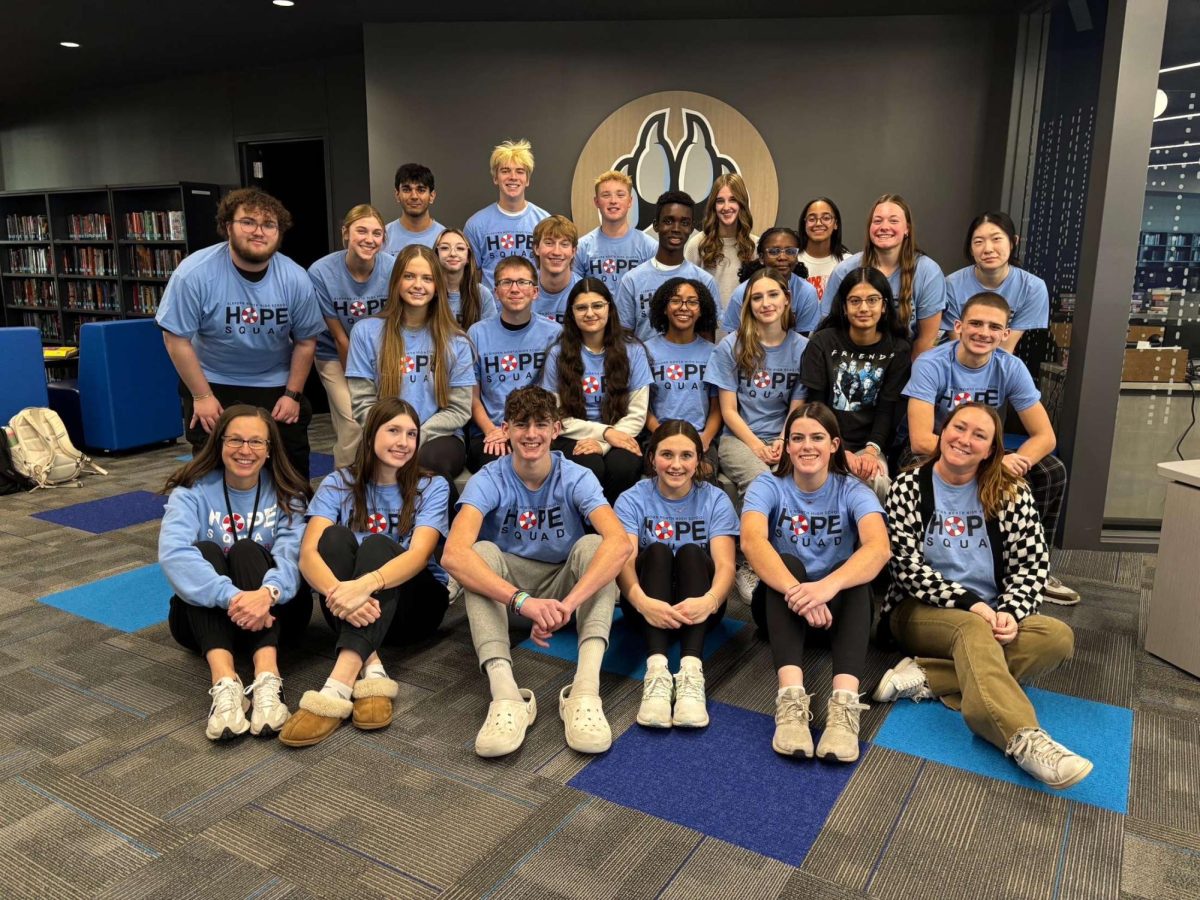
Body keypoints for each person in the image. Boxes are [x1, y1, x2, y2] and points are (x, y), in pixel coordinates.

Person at [876, 401, 1091, 789]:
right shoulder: (908, 487)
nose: (965, 440)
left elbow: (1032, 565)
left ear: (992, 449)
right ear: (943, 433)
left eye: (980, 435)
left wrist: (1010, 610)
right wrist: (972, 605)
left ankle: (933, 676)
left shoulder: (1009, 492)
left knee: (1057, 637)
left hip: (990, 613)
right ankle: (1022, 737)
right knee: (972, 630)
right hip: (917, 612)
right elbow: (905, 569)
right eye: (959, 428)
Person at [442, 385, 631, 757]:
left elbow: (620, 543)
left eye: (541, 424)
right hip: (510, 601)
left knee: (596, 546)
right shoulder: (489, 478)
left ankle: (584, 692)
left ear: (556, 430)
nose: (531, 434)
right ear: (505, 429)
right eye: (522, 425)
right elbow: (452, 555)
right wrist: (523, 602)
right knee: (478, 553)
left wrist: (570, 603)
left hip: (564, 596)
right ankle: (508, 698)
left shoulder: (575, 476)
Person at [279, 398, 450, 747]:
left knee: (376, 545)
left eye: (411, 434)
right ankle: (371, 668)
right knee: (332, 538)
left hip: (415, 607)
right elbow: (308, 555)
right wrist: (341, 595)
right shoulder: (338, 483)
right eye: (393, 430)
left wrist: (364, 586)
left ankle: (337, 685)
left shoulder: (432, 486)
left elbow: (418, 555)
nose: (403, 441)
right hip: (348, 607)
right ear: (371, 433)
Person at [903, 292, 1079, 605]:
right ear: (958, 327)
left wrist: (1014, 460)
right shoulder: (931, 363)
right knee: (910, 461)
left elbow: (1045, 437)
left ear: (1005, 334)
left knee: (1052, 471)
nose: (984, 332)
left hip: (983, 452)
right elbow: (920, 438)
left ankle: (1029, 566)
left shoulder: (1010, 367)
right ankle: (927, 564)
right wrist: (991, 465)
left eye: (994, 327)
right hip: (937, 448)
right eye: (976, 323)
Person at [741, 403, 890, 762]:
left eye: (817, 437)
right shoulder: (768, 485)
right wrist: (800, 592)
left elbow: (879, 548)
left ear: (835, 444)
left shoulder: (852, 490)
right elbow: (752, 542)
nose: (807, 446)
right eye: (798, 438)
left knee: (854, 574)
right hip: (782, 610)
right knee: (785, 563)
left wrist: (827, 587)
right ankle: (791, 701)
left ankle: (843, 710)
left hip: (836, 611)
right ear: (787, 446)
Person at [159, 405, 312, 741]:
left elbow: (292, 556)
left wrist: (266, 595)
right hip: (204, 621)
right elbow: (173, 554)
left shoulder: (289, 492)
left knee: (245, 549)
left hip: (278, 616)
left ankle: (268, 678)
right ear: (219, 443)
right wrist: (235, 597)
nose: (246, 450)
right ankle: (225, 683)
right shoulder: (192, 490)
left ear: (270, 450)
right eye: (236, 440)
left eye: (257, 442)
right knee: (205, 552)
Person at [157, 187, 325, 479]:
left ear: (279, 232)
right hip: (213, 381)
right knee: (214, 470)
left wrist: (292, 394)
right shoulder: (194, 273)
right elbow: (175, 338)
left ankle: (293, 522)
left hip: (275, 381)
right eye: (248, 222)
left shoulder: (295, 278)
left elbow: (306, 340)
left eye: (269, 224)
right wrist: (201, 396)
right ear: (227, 226)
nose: (259, 231)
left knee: (291, 470)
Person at [614, 421, 737, 728]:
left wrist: (709, 602)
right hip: (644, 609)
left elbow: (725, 566)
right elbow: (624, 564)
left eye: (686, 456)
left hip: (699, 609)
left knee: (692, 552)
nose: (676, 465)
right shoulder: (632, 498)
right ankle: (656, 672)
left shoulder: (715, 499)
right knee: (656, 550)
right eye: (667, 455)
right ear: (652, 457)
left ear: (699, 459)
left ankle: (692, 673)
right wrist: (642, 603)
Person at [346, 245, 475, 487]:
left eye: (427, 278)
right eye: (409, 276)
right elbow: (363, 403)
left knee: (424, 465)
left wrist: (416, 436)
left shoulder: (456, 340)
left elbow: (459, 409)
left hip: (440, 437)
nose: (418, 285)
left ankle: (440, 525)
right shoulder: (366, 332)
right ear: (396, 282)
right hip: (384, 434)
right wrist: (396, 435)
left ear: (437, 287)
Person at [801, 267, 911, 500]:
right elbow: (816, 405)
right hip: (824, 439)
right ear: (844, 306)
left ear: (883, 306)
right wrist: (837, 449)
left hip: (871, 445)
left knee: (878, 480)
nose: (863, 308)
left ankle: (870, 537)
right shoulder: (822, 342)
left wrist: (871, 451)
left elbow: (888, 409)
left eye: (872, 300)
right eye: (855, 301)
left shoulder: (898, 349)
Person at [542, 279, 652, 503]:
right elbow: (555, 416)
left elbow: (638, 414)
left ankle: (615, 526)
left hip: (622, 434)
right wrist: (604, 433)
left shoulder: (634, 350)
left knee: (624, 465)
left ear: (609, 308)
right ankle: (587, 531)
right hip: (572, 435)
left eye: (597, 306)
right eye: (581, 307)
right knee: (589, 463)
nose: (590, 313)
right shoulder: (558, 354)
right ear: (571, 313)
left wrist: (604, 442)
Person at [704, 267, 808, 497]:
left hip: (785, 436)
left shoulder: (803, 348)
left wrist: (784, 439)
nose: (766, 303)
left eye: (773, 295)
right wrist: (756, 446)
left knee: (799, 480)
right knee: (761, 482)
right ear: (748, 305)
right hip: (739, 439)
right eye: (757, 298)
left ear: (786, 299)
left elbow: (797, 407)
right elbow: (728, 410)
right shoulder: (731, 346)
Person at [308, 204, 395, 468]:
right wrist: (357, 384)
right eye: (361, 231)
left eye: (377, 233)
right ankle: (346, 491)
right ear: (346, 232)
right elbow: (340, 338)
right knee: (354, 421)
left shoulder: (392, 269)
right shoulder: (321, 272)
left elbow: (393, 325)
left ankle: (379, 485)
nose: (369, 239)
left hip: (381, 354)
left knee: (384, 421)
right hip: (335, 354)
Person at [467, 255, 563, 471]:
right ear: (496, 292)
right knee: (495, 463)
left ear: (535, 291)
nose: (515, 289)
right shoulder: (477, 333)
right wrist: (492, 430)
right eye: (506, 282)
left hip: (537, 429)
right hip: (490, 430)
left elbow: (556, 393)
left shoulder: (554, 333)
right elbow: (472, 398)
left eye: (523, 282)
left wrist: (530, 431)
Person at [823, 194, 946, 358]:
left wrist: (909, 380)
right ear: (869, 227)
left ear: (907, 228)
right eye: (878, 221)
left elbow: (926, 339)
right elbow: (829, 330)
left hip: (905, 365)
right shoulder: (845, 270)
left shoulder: (928, 272)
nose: (884, 227)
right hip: (851, 361)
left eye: (893, 221)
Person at [615, 191, 719, 342]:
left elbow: (707, 340)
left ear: (691, 228)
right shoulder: (632, 280)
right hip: (643, 364)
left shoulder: (704, 281)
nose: (676, 229)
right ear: (656, 225)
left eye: (684, 223)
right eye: (668, 221)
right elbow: (624, 339)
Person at [940, 212, 1049, 352]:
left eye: (996, 239)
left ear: (1013, 242)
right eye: (978, 242)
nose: (988, 249)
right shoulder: (951, 285)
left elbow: (1006, 349)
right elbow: (960, 346)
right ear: (971, 249)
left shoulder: (1032, 288)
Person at [643, 278, 722, 462]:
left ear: (701, 310)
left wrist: (704, 439)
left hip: (701, 437)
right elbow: (642, 407)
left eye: (692, 302)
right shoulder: (645, 351)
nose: (684, 307)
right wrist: (662, 435)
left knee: (704, 473)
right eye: (676, 300)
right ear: (664, 307)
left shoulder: (713, 353)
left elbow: (717, 409)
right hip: (658, 436)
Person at [464, 139, 550, 290]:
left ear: (527, 179)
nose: (513, 177)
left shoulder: (544, 222)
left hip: (534, 309)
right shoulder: (476, 225)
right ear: (495, 178)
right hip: (492, 312)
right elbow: (472, 278)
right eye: (505, 171)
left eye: (520, 171)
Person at [720, 228, 822, 336]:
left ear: (797, 257)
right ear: (761, 258)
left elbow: (801, 342)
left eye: (790, 251)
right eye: (774, 252)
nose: (782, 257)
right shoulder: (742, 292)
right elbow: (735, 337)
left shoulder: (806, 292)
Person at [574, 170, 657, 295]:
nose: (613, 201)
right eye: (606, 195)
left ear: (630, 201)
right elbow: (575, 293)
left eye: (620, 195)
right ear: (596, 202)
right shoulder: (582, 247)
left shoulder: (649, 247)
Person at [684, 174, 758, 307]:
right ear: (713, 205)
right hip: (707, 327)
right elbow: (685, 292)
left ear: (742, 203)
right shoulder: (697, 244)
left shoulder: (755, 246)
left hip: (745, 327)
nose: (726, 207)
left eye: (733, 200)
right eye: (720, 201)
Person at [434, 227, 497, 328]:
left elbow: (489, 336)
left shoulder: (482, 294)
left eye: (460, 248)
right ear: (436, 255)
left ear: (468, 257)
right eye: (445, 248)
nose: (453, 254)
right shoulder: (428, 291)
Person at [797, 197, 851, 304]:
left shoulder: (848, 263)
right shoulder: (793, 260)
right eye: (812, 219)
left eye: (826, 218)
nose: (818, 223)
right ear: (804, 224)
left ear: (836, 224)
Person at [531, 215, 581, 323]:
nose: (556, 252)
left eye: (564, 244)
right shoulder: (522, 290)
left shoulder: (584, 292)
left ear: (573, 251)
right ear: (536, 248)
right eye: (549, 243)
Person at [384, 163, 444, 253]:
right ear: (397, 195)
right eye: (406, 190)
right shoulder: (383, 237)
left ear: (432, 196)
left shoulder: (444, 238)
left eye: (421, 190)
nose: (414, 196)